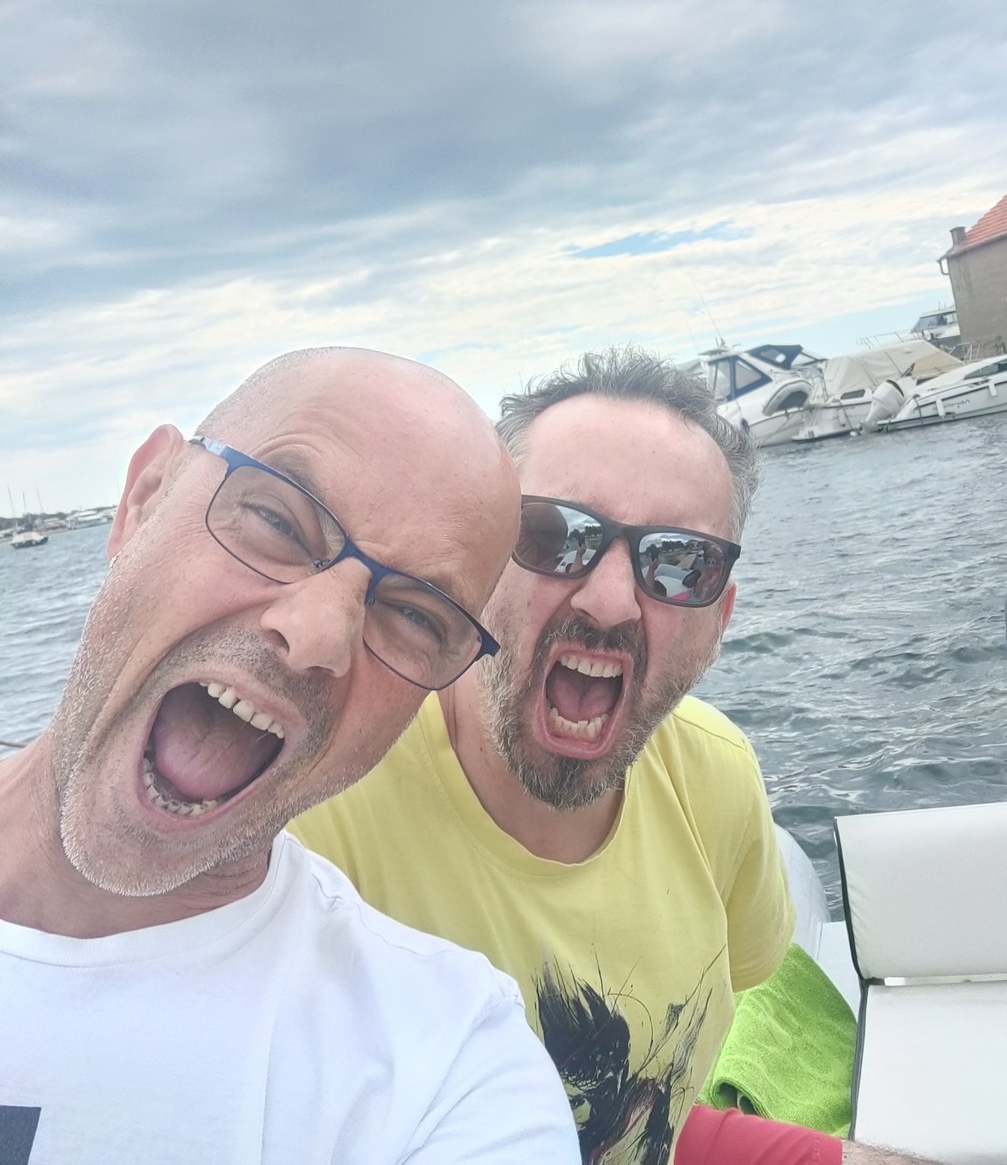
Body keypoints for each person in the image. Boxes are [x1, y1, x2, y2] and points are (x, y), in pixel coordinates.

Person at [0, 347, 578, 1165]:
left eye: (417, 617)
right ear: (143, 498)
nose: (315, 636)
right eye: (276, 522)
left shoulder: (442, 1073)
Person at [295, 347, 831, 1163]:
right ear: (476, 564)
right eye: (554, 536)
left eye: (678, 562)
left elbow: (664, 1113)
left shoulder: (715, 777)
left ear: (719, 621)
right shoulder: (320, 824)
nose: (610, 602)